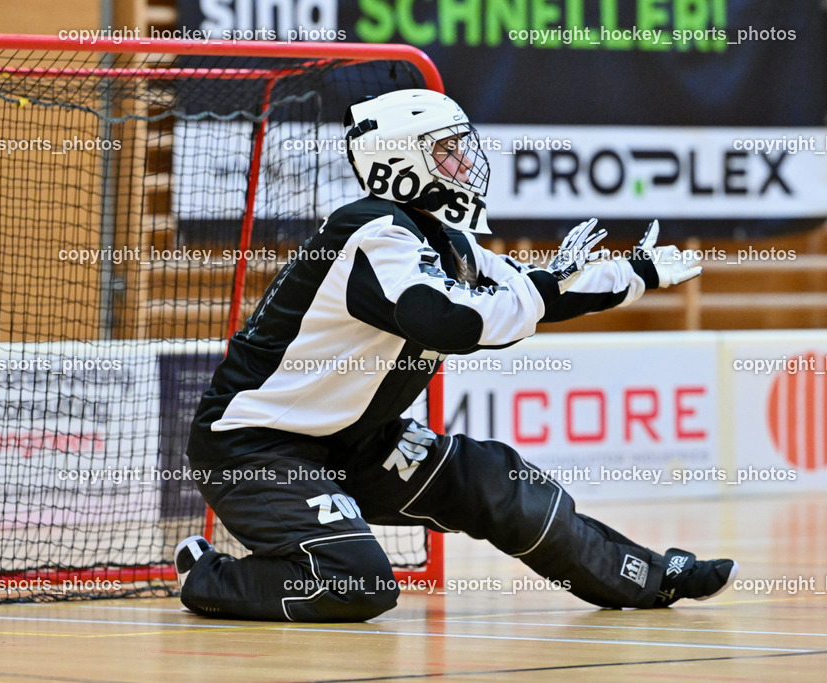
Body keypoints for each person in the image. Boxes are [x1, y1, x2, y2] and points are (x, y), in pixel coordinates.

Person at [174, 89, 737, 622]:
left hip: (352, 441)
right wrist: (537, 294)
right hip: (252, 444)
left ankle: (649, 576)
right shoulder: (371, 232)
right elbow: (448, 319)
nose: (464, 163)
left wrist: (637, 273)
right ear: (398, 160)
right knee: (358, 582)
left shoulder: (446, 240)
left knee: (500, 484)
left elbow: (537, 287)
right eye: (446, 149)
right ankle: (206, 576)